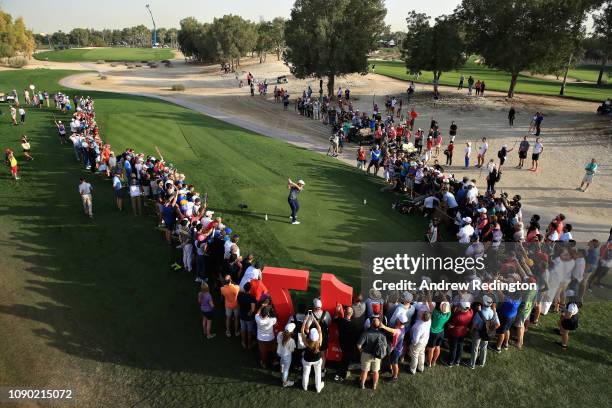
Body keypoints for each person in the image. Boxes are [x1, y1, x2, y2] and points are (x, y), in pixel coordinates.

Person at [357, 316, 388, 390]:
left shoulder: (366, 333)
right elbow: (385, 346)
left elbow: (358, 345)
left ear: (371, 324)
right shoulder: (382, 334)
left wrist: (361, 351)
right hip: (377, 356)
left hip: (366, 355)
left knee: (365, 371)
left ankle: (362, 385)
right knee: (376, 371)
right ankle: (374, 385)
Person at [469, 296, 499, 368]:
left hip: (478, 332)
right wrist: (490, 329)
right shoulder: (494, 312)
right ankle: (482, 363)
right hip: (487, 333)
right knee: (484, 348)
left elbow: (474, 325)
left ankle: (472, 364)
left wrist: (471, 331)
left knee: (475, 349)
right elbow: (498, 324)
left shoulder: (479, 313)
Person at [300, 313, 324, 393]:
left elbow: (302, 330)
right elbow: (319, 329)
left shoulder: (306, 342)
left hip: (307, 360)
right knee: (318, 374)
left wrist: (305, 319)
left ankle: (305, 387)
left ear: (310, 335)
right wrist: (314, 318)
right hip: (317, 360)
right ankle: (318, 388)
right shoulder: (319, 342)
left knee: (306, 373)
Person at [334, 305, 359, 381]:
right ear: (351, 314)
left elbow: (335, 318)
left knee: (345, 358)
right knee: (346, 360)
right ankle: (340, 375)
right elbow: (356, 336)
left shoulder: (340, 320)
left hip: (342, 342)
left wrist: (337, 311)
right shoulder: (354, 324)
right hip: (350, 345)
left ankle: (340, 374)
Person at [447, 301, 473, 366]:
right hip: (463, 332)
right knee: (460, 346)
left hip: (455, 333)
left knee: (454, 347)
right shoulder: (471, 313)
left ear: (462, 307)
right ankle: (458, 361)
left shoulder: (458, 316)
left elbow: (451, 326)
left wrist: (448, 324)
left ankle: (451, 361)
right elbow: (470, 309)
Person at [426, 300, 451, 367]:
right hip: (441, 332)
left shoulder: (436, 313)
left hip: (433, 333)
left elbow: (430, 304)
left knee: (431, 348)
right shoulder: (448, 314)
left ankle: (429, 363)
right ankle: (434, 362)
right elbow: (448, 308)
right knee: (438, 347)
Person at [255, 299, 277, 368]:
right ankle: (274, 361)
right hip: (270, 338)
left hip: (261, 338)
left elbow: (257, 313)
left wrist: (262, 307)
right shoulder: (272, 320)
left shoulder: (257, 318)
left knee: (263, 352)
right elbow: (275, 318)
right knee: (273, 349)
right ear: (267, 314)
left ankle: (263, 363)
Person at [238, 281, 257, 349]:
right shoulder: (252, 297)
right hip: (249, 318)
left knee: (243, 330)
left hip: (242, 316)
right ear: (250, 289)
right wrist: (249, 314)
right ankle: (249, 344)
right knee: (249, 331)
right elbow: (252, 309)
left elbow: (238, 304)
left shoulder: (240, 295)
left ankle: (243, 342)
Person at [277, 322, 296, 387]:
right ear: (292, 332)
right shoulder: (291, 341)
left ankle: (281, 375)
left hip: (280, 353)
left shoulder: (279, 334)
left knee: (281, 363)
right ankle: (285, 382)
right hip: (287, 356)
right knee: (286, 369)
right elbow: (292, 350)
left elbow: (277, 341)